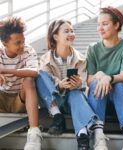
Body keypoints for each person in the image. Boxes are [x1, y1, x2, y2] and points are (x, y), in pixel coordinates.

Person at [35, 19, 103, 150]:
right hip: (54, 100)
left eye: (72, 30)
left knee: (76, 92)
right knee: (39, 75)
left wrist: (78, 84)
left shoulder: (82, 59)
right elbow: (45, 84)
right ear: (55, 36)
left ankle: (82, 138)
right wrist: (60, 85)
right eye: (66, 31)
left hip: (73, 100)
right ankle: (57, 116)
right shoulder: (45, 58)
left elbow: (83, 83)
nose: (71, 33)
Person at [86, 6, 123, 150]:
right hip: (98, 98)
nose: (100, 28)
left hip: (120, 100)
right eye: (98, 24)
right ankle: (98, 137)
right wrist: (99, 75)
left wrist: (108, 78)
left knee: (119, 85)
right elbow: (89, 80)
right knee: (97, 83)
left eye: (104, 24)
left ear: (116, 25)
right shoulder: (93, 48)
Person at [0, 17, 41, 150]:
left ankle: (34, 132)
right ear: (5, 43)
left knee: (29, 80)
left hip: (20, 99)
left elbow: (34, 71)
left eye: (23, 41)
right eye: (17, 43)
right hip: (2, 98)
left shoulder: (28, 51)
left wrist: (5, 70)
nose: (22, 45)